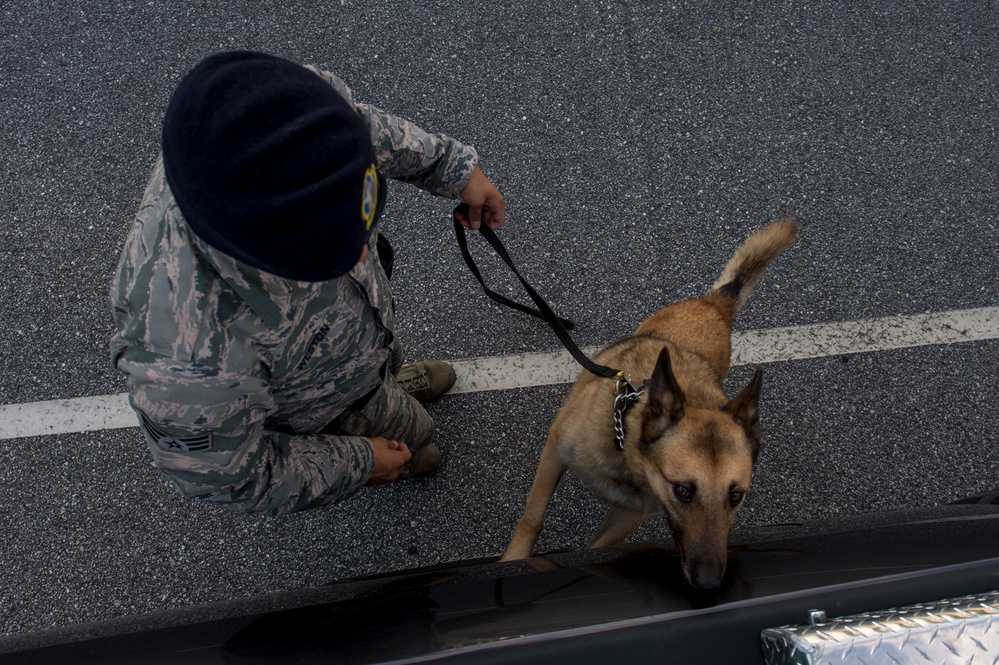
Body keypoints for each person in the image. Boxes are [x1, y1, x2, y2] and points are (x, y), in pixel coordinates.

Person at [109, 51, 505, 516]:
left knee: (385, 362)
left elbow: (358, 129)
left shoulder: (285, 110)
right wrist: (360, 462)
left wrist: (452, 167)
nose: (363, 255)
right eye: (323, 255)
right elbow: (234, 478)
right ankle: (388, 437)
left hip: (351, 339)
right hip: (317, 408)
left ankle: (385, 385)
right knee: (414, 439)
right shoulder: (185, 357)